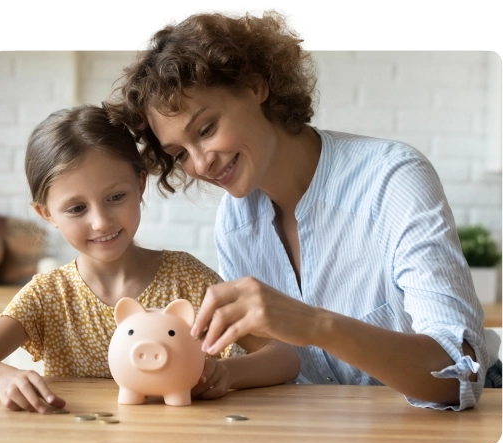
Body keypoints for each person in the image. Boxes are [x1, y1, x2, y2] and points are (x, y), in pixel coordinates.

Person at [104, 7, 501, 410]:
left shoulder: (391, 179)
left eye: (206, 130)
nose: (201, 163)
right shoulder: (236, 220)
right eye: (180, 153)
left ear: (255, 86)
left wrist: (312, 324)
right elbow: (290, 362)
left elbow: (460, 376)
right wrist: (219, 373)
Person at [0, 104, 300, 414]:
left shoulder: (187, 279)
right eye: (77, 208)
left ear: (140, 184)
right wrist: (4, 378)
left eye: (116, 197)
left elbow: (284, 356)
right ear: (46, 214)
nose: (101, 222)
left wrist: (229, 372)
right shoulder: (48, 296)